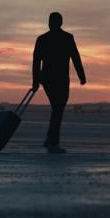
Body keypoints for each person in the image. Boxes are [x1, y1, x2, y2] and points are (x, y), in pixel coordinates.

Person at [32, 12, 86, 153]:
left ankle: (51, 140)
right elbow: (36, 61)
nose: (50, 24)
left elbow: (75, 57)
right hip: (56, 80)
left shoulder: (45, 39)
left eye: (51, 21)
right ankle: (52, 141)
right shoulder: (65, 38)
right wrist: (35, 81)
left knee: (58, 109)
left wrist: (36, 81)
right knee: (58, 108)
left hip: (53, 79)